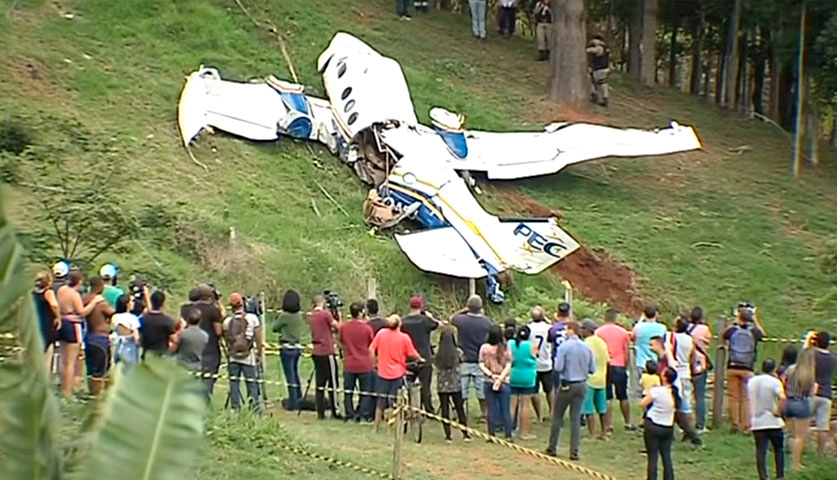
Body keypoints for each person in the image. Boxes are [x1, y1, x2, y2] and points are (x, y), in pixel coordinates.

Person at [546, 321, 595, 460]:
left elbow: (558, 367)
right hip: (582, 383)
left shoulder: (564, 347)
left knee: (558, 416)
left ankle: (552, 446)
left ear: (571, 330)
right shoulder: (587, 347)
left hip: (568, 383)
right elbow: (592, 369)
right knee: (575, 418)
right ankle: (574, 451)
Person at [369, 314, 423, 433]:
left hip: (382, 372)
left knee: (381, 401)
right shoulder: (404, 338)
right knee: (398, 401)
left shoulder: (381, 334)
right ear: (399, 324)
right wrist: (421, 359)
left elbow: (371, 349)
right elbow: (412, 353)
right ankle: (398, 424)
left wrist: (374, 363)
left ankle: (376, 427)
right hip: (398, 373)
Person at [56, 270, 105, 399]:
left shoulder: (61, 290)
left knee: (62, 358)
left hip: (62, 322)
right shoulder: (74, 294)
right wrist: (94, 302)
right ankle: (67, 392)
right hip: (72, 325)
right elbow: (82, 312)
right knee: (71, 361)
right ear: (79, 282)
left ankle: (62, 386)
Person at [722, 305, 765, 433]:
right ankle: (746, 425)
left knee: (733, 397)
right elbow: (762, 335)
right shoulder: (753, 332)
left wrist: (735, 320)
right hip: (747, 367)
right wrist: (755, 319)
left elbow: (724, 334)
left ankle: (735, 423)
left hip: (732, 365)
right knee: (746, 398)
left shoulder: (733, 330)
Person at [451, 295, 493, 422]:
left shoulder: (461, 320)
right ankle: (484, 413)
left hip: (464, 358)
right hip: (479, 360)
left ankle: (459, 413)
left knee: (462, 389)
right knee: (481, 389)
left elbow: (451, 318)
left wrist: (464, 309)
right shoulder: (486, 322)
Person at [222, 293, 263, 414]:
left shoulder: (227, 322)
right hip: (248, 356)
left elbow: (226, 339)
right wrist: (259, 353)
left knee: (234, 384)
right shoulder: (252, 318)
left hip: (233, 357)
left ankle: (235, 409)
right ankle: (254, 410)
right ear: (243, 304)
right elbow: (258, 338)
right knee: (252, 384)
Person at [595, 308, 635, 431]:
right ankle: (628, 422)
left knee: (607, 396)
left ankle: (608, 424)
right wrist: (626, 365)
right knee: (623, 396)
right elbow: (626, 351)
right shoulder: (623, 332)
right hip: (619, 365)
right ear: (615, 318)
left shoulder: (598, 332)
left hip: (605, 365)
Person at [400, 296, 441, 413]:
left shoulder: (403, 321)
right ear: (421, 306)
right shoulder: (425, 320)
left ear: (410, 306)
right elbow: (439, 325)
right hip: (424, 357)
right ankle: (428, 410)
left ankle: (407, 407)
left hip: (408, 358)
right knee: (425, 386)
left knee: (407, 386)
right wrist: (430, 316)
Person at [748, 358, 786, 480]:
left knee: (760, 450)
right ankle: (780, 475)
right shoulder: (775, 382)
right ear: (774, 369)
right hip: (773, 421)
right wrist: (778, 412)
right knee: (778, 449)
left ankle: (763, 476)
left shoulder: (752, 381)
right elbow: (782, 397)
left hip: (757, 421)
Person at [641, 367, 681, 480]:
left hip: (653, 425)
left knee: (653, 457)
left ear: (664, 377)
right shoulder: (675, 393)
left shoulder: (657, 391)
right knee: (666, 456)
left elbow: (643, 403)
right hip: (668, 427)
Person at [668, 316, 703, 446]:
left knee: (672, 404)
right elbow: (693, 357)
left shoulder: (671, 338)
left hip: (674, 373)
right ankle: (689, 430)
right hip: (685, 373)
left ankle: (679, 430)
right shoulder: (690, 340)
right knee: (686, 404)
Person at [339, 301, 375, 422]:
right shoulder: (367, 328)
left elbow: (341, 342)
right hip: (364, 364)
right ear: (361, 312)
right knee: (365, 391)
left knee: (348, 391)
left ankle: (349, 413)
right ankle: (362, 413)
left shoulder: (344, 327)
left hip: (349, 363)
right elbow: (372, 343)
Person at [435, 324, 471, 442]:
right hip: (455, 384)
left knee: (445, 409)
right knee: (459, 408)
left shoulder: (438, 353)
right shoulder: (458, 352)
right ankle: (465, 433)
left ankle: (448, 435)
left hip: (442, 385)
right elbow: (462, 362)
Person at [783, 347, 817, 470]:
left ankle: (786, 459)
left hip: (789, 402)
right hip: (802, 403)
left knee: (791, 434)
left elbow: (783, 382)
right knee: (800, 436)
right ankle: (796, 463)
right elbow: (811, 393)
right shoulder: (809, 374)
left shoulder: (791, 369)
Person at [309, 294, 341, 420]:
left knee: (320, 382)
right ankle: (335, 409)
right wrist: (338, 316)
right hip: (327, 351)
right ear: (322, 302)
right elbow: (337, 327)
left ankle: (320, 411)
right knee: (333, 382)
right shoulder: (325, 314)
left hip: (316, 351)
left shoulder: (311, 316)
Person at [479, 324, 513, 440]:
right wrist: (501, 378)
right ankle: (508, 434)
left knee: (491, 408)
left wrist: (490, 375)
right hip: (504, 381)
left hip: (489, 380)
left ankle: (491, 433)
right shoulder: (505, 347)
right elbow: (509, 364)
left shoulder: (484, 348)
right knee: (505, 409)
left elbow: (481, 363)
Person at [83, 276, 115, 395]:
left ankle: (91, 393)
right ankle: (97, 396)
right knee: (101, 370)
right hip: (100, 338)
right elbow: (112, 313)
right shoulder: (101, 302)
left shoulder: (85, 299)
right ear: (100, 286)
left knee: (91, 369)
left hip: (89, 337)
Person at [194, 284, 226, 399]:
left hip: (193, 347)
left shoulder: (189, 309)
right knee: (208, 380)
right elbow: (218, 331)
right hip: (210, 348)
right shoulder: (213, 311)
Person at [274, 289, 304, 411]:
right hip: (296, 346)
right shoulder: (298, 315)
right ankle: (298, 397)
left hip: (286, 346)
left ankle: (293, 402)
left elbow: (274, 328)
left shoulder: (284, 316)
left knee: (289, 375)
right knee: (295, 373)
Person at [580, 318, 610, 440]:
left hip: (590, 379)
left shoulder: (586, 343)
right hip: (601, 379)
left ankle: (592, 434)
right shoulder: (602, 342)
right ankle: (604, 432)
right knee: (602, 408)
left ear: (587, 330)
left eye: (582, 328)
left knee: (589, 409)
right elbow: (608, 361)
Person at [509, 324, 538, 440]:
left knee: (512, 405)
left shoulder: (511, 344)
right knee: (525, 405)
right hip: (528, 377)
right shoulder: (532, 345)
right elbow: (536, 357)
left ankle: (509, 430)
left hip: (514, 374)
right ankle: (524, 432)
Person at [687, 306, 712, 432]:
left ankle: (685, 422)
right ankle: (700, 424)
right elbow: (708, 341)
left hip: (686, 362)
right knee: (700, 395)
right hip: (700, 363)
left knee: (685, 394)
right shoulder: (705, 329)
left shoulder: (685, 328)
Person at [632, 305, 667, 396]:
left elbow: (633, 337)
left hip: (641, 360)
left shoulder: (638, 327)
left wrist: (640, 320)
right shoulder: (662, 327)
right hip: (656, 360)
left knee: (642, 388)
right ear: (656, 314)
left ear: (644, 314)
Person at [527, 306, 553, 421]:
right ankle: (552, 412)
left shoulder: (528, 328)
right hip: (546, 361)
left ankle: (539, 416)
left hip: (533, 362)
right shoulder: (548, 328)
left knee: (534, 390)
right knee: (550, 389)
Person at [812, 331, 835, 454]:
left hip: (811, 391)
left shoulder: (812, 355)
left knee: (803, 421)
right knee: (823, 426)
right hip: (826, 392)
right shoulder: (833, 358)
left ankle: (800, 446)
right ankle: (820, 452)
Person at [33, 271, 60, 369]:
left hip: (35, 323)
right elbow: (54, 304)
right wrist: (58, 317)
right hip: (47, 324)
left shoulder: (33, 293)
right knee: (47, 354)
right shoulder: (48, 292)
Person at [139, 291, 177, 358]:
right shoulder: (167, 321)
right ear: (163, 303)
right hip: (161, 354)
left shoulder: (143, 319)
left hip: (145, 354)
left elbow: (139, 337)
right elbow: (175, 340)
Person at [175, 305, 208, 372]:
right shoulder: (204, 335)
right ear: (200, 321)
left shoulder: (183, 334)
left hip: (181, 365)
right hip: (196, 366)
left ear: (187, 320)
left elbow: (174, 346)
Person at [112, 294, 141, 369]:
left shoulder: (115, 317)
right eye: (132, 301)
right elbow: (136, 337)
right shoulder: (132, 318)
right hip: (129, 348)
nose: (133, 303)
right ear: (127, 304)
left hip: (116, 346)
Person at [548, 301, 572, 387]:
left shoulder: (554, 328)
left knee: (558, 388)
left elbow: (550, 340)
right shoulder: (573, 327)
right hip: (571, 359)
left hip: (557, 359)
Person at [585, 34, 610, 107]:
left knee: (592, 81)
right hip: (605, 68)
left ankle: (594, 96)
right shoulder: (606, 47)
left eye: (594, 40)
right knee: (603, 84)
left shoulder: (599, 48)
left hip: (599, 68)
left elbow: (588, 50)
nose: (593, 41)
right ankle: (605, 97)